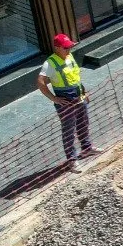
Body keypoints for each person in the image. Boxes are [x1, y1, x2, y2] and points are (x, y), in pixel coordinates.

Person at [37, 32, 98, 167]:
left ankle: (87, 148)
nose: (69, 49)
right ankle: (71, 159)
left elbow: (75, 78)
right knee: (69, 130)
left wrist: (84, 91)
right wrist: (54, 98)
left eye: (69, 47)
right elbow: (40, 82)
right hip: (65, 101)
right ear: (57, 47)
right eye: (65, 48)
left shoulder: (70, 57)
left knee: (83, 123)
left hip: (78, 97)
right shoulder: (50, 63)